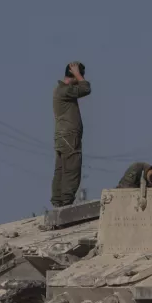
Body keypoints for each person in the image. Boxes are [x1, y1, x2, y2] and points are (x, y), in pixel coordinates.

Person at [51, 62, 91, 207]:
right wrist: (78, 74)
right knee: (72, 168)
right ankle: (66, 202)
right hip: (69, 136)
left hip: (62, 136)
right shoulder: (64, 90)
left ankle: (58, 201)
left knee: (61, 169)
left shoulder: (60, 90)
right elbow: (86, 88)